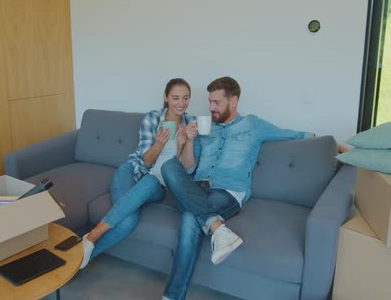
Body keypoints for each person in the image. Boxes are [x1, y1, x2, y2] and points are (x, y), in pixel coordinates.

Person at [160, 76, 314, 300]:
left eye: (216, 103)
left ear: (234, 101)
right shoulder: (206, 128)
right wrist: (188, 141)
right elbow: (189, 168)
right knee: (168, 167)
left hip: (228, 192)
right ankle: (218, 228)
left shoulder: (253, 125)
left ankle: (172, 297)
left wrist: (333, 143)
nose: (211, 108)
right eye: (210, 102)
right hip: (197, 188)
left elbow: (294, 134)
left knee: (189, 218)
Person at [80, 78, 197, 269]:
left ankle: (90, 237)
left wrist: (184, 143)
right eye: (175, 97)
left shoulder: (191, 123)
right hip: (132, 171)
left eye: (185, 98)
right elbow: (146, 162)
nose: (181, 103)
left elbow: (185, 169)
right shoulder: (152, 118)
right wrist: (159, 143)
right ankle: (81, 256)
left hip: (158, 184)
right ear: (166, 97)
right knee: (127, 222)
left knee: (150, 185)